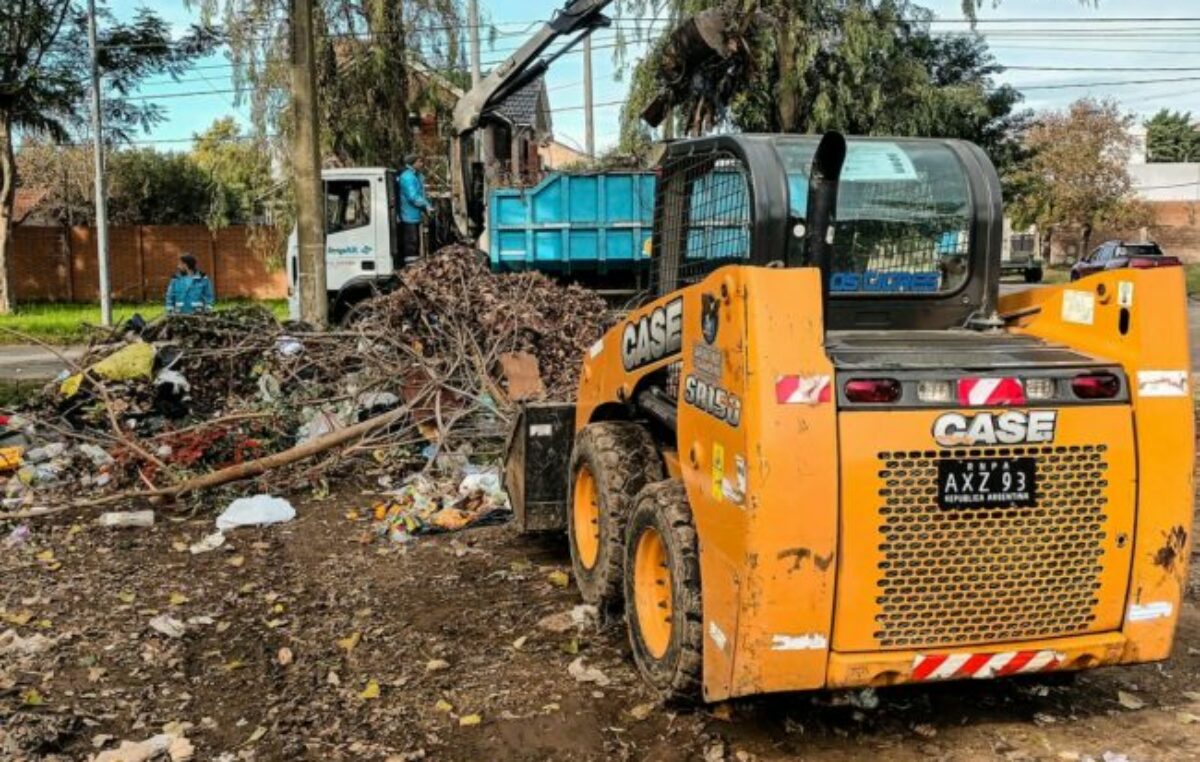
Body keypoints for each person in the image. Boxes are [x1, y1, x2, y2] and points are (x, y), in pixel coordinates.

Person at [397, 154, 432, 266]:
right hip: (408, 215)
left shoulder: (416, 175)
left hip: (414, 214)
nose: (422, 164)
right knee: (411, 242)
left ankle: (414, 264)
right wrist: (426, 205)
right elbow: (413, 196)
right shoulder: (408, 177)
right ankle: (410, 267)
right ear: (412, 163)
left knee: (415, 241)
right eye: (419, 161)